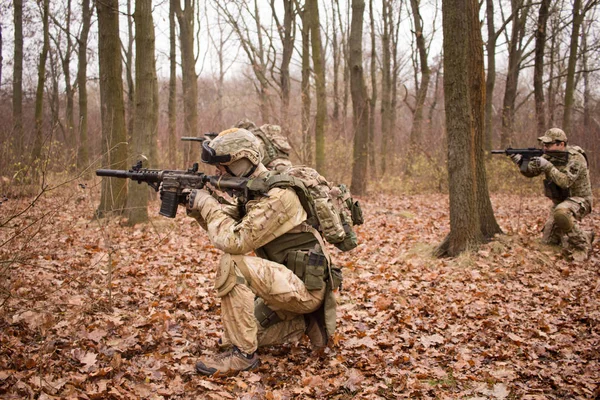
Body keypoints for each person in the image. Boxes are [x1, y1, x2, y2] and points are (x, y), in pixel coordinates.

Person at [183, 128, 337, 376]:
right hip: (286, 281)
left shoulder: (279, 196)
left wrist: (206, 203)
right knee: (231, 335)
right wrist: (195, 206)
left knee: (233, 262)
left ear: (243, 161)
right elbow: (225, 223)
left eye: (223, 166)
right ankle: (304, 323)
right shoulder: (255, 191)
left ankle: (243, 357)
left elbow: (234, 241)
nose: (218, 172)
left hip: (305, 288)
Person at [511, 128, 594, 261]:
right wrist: (521, 162)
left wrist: (548, 166)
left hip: (580, 200)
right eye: (544, 145)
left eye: (549, 145)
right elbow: (531, 172)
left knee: (561, 213)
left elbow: (565, 182)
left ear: (561, 144)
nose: (545, 148)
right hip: (560, 202)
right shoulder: (548, 156)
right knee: (548, 242)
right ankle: (584, 235)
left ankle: (582, 246)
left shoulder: (576, 158)